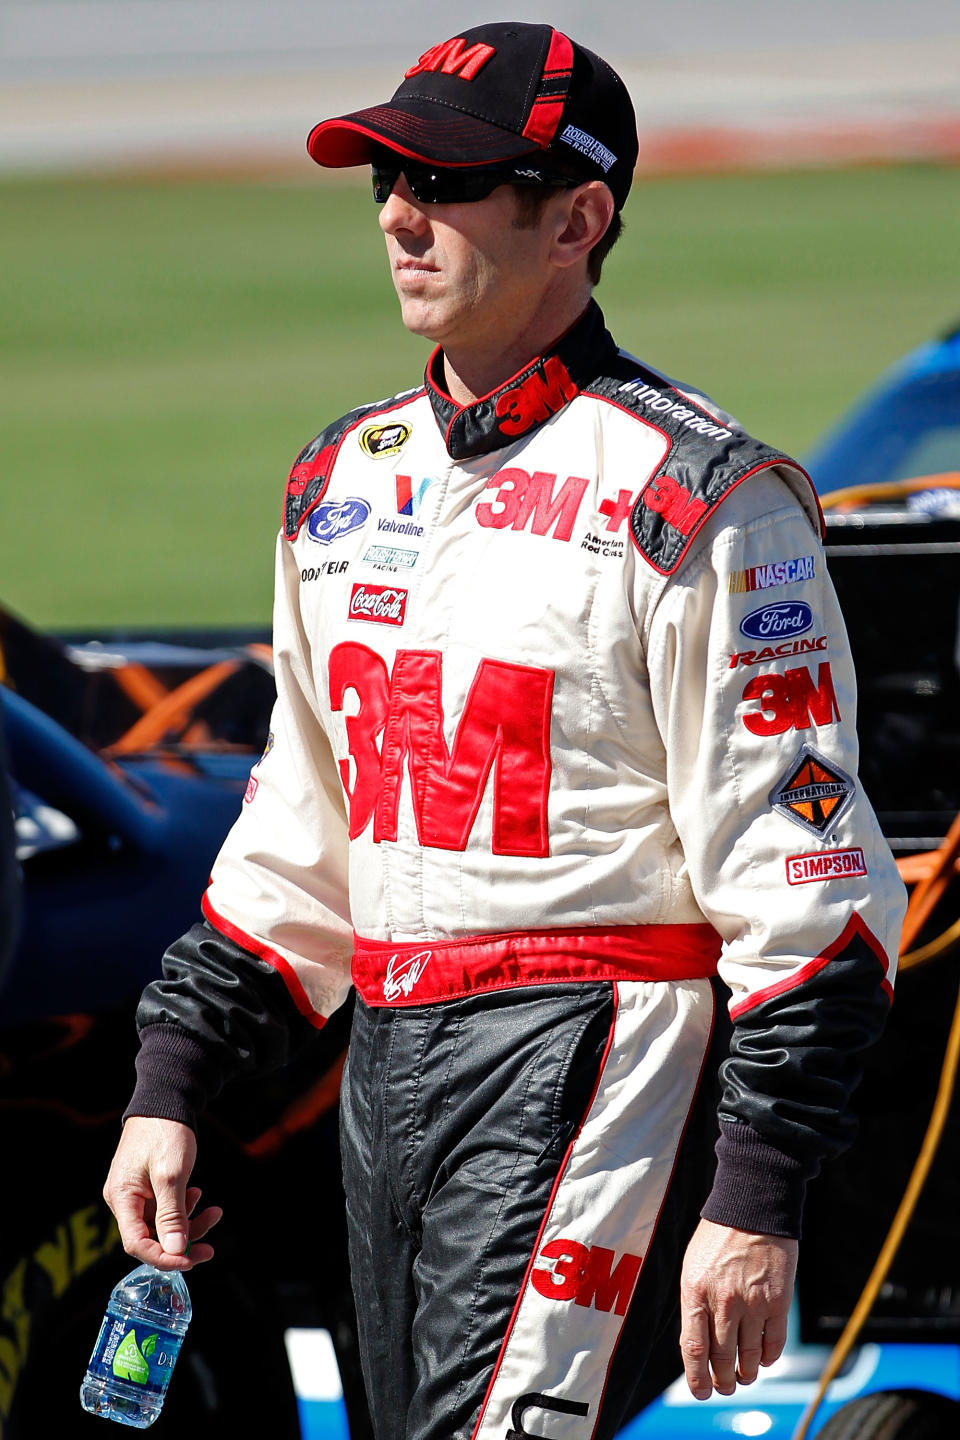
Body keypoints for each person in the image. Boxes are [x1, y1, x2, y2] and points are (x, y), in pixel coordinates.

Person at [104, 21, 907, 1440]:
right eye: (385, 180)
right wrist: (171, 1082)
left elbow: (815, 899)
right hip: (392, 1065)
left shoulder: (701, 498)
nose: (400, 215)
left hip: (597, 1051)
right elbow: (299, 840)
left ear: (579, 220)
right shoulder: (342, 480)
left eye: (449, 181)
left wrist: (756, 1193)